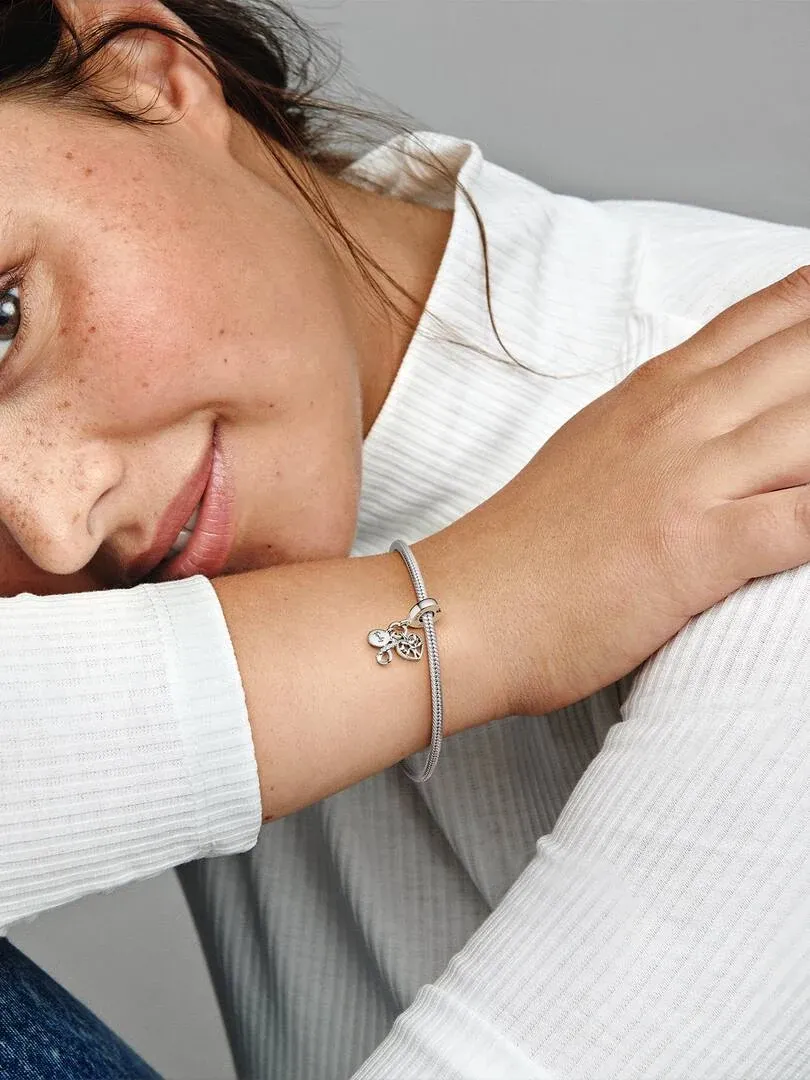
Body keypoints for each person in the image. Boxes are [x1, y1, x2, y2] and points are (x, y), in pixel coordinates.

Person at [4, 1, 810, 1078]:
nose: (55, 530)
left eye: (3, 320)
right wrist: (467, 609)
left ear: (150, 73)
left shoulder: (767, 467)